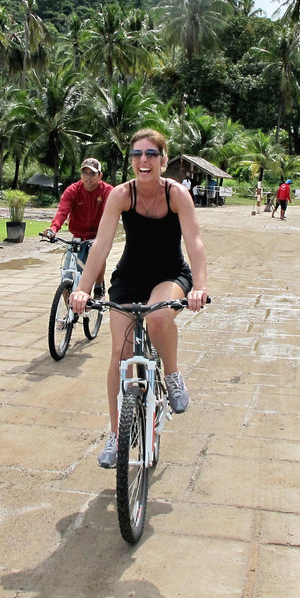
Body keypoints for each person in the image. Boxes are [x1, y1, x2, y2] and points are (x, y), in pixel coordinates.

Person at [70, 129, 208, 468]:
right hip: (129, 278)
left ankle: (172, 375)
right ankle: (117, 434)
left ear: (163, 160)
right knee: (120, 353)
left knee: (158, 318)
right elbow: (101, 246)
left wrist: (200, 286)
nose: (143, 160)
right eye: (136, 154)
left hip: (169, 275)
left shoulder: (176, 194)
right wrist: (83, 288)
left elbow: (195, 242)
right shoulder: (122, 194)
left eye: (150, 154)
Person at [41, 158, 113, 296]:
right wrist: (53, 229)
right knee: (66, 276)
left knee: (99, 255)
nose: (88, 177)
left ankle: (98, 286)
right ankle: (68, 307)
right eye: (84, 172)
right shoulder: (73, 190)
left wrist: (103, 237)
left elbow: (108, 216)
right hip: (78, 235)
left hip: (98, 235)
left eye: (92, 173)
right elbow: (62, 212)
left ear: (100, 175)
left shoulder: (107, 191)